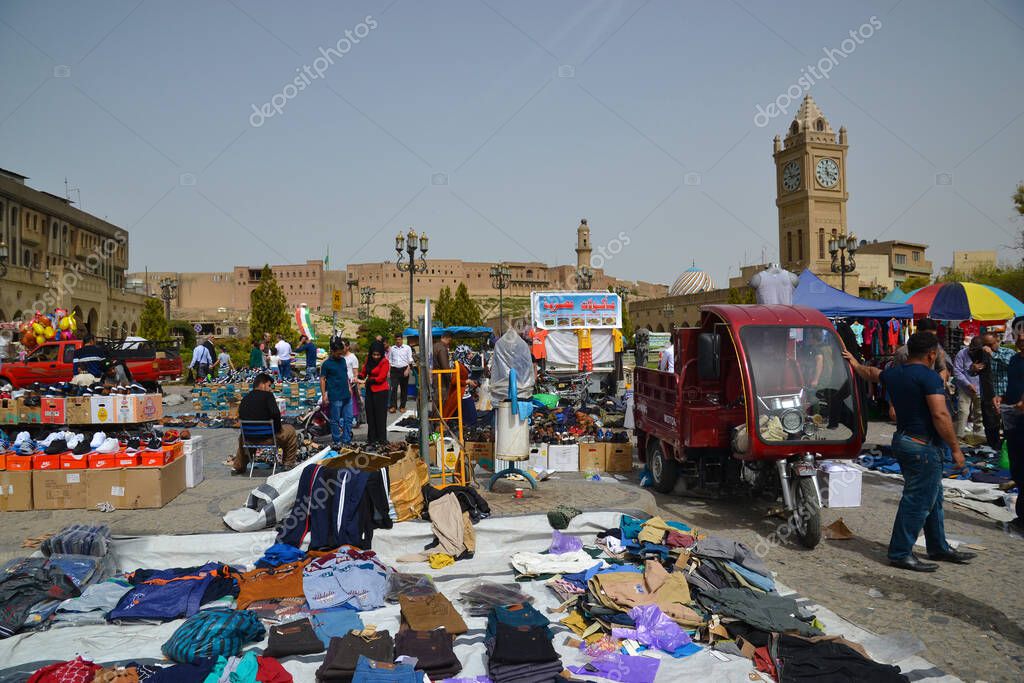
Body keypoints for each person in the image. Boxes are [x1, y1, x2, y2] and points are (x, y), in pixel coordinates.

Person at [845, 332, 975, 571]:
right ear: (932, 354)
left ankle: (938, 546)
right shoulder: (930, 377)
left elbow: (872, 373)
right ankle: (900, 552)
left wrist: (854, 362)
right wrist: (956, 449)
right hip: (921, 446)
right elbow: (940, 414)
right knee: (918, 500)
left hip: (905, 441)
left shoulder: (895, 373)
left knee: (933, 497)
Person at [232, 372, 299, 474]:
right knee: (290, 430)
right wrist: (277, 429)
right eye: (269, 386)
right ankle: (288, 464)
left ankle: (238, 467)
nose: (270, 389)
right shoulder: (268, 396)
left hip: (249, 440)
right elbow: (276, 413)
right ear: (262, 384)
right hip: (268, 438)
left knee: (243, 437)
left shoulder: (245, 399)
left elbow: (241, 417)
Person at [998, 336, 1024, 532]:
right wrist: (1002, 397)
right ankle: (1020, 517)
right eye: (1019, 337)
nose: (1021, 340)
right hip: (1013, 414)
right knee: (1017, 466)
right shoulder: (1015, 359)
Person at [969, 335, 1001, 450]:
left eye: (991, 344)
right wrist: (974, 368)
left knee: (1006, 425)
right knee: (989, 423)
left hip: (1004, 395)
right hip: (987, 395)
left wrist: (992, 354)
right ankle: (994, 447)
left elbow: (1008, 362)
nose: (988, 347)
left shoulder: (1007, 352)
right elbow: (972, 371)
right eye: (985, 345)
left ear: (997, 341)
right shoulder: (982, 353)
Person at [320, 339, 352, 448]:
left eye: (341, 353)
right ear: (332, 351)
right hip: (335, 395)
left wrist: (349, 387)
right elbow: (322, 379)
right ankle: (337, 440)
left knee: (348, 418)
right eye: (338, 353)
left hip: (346, 394)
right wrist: (324, 394)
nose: (340, 355)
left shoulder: (343, 361)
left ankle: (347, 440)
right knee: (335, 420)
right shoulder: (327, 364)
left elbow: (345, 375)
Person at [358, 341, 391, 444]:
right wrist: (359, 377)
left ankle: (381, 438)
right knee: (370, 414)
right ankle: (372, 438)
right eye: (374, 354)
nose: (376, 357)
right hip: (370, 390)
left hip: (381, 391)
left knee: (380, 416)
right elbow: (364, 371)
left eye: (378, 355)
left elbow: (381, 378)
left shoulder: (384, 362)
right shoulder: (369, 359)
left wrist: (367, 381)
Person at [953, 341, 982, 439]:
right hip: (965, 388)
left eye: (974, 350)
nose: (971, 351)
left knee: (979, 413)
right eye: (971, 348)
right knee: (963, 411)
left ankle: (979, 436)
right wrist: (968, 384)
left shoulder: (983, 354)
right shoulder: (961, 353)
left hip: (980, 387)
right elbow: (957, 371)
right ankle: (959, 436)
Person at [387, 333, 413, 413]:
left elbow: (410, 359)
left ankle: (402, 406)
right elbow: (390, 360)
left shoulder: (407, 348)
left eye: (399, 339)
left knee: (404, 389)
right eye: (396, 339)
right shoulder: (392, 348)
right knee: (393, 388)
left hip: (404, 369)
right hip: (394, 370)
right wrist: (388, 371)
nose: (398, 341)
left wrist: (407, 369)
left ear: (402, 339)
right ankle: (393, 406)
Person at [343, 340, 364, 427]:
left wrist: (358, 388)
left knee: (352, 403)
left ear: (348, 347)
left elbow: (355, 373)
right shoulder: (339, 356)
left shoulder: (352, 357)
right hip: (342, 383)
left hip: (351, 383)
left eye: (343, 346)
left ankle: (354, 420)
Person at [432, 330, 453, 401]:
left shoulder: (434, 346)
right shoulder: (442, 348)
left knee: (437, 399)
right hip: (441, 379)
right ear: (448, 338)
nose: (449, 343)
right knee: (441, 400)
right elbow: (445, 366)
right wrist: (450, 379)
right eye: (450, 341)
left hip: (434, 376)